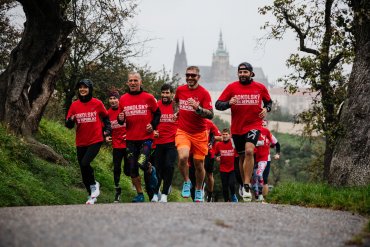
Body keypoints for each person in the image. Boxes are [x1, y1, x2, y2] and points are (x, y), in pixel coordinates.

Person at [215, 62, 272, 201]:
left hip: (254, 125)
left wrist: (266, 109)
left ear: (251, 73)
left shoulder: (260, 87)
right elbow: (218, 105)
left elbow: (269, 102)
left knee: (249, 151)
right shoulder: (232, 87)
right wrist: (229, 103)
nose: (242, 74)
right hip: (237, 128)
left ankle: (247, 185)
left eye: (245, 72)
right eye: (240, 72)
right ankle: (243, 183)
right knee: (241, 157)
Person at [65, 79, 111, 205]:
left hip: (95, 139)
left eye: (85, 87)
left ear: (90, 89)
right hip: (81, 141)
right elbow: (68, 124)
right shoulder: (74, 105)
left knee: (85, 163)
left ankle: (94, 184)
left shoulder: (97, 103)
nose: (82, 89)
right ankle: (91, 195)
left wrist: (107, 130)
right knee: (82, 168)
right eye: (80, 87)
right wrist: (70, 120)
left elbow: (106, 118)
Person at [117, 72, 160, 202]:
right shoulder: (123, 99)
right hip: (130, 139)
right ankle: (140, 194)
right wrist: (120, 119)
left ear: (140, 82)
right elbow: (121, 120)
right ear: (127, 83)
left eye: (136, 80)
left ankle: (150, 169)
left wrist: (152, 125)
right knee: (132, 168)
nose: (133, 83)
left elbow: (158, 114)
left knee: (141, 163)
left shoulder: (148, 97)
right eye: (131, 80)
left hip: (146, 138)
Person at [174, 66, 214, 202]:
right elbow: (176, 102)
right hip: (183, 131)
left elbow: (211, 114)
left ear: (198, 77)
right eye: (188, 75)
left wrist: (198, 108)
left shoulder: (204, 93)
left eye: (193, 75)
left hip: (200, 134)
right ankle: (186, 181)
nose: (190, 78)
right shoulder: (180, 90)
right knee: (183, 157)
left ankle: (198, 189)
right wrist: (177, 112)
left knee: (198, 165)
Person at [151, 84, 178, 203]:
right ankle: (156, 193)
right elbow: (151, 121)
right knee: (157, 169)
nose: (165, 95)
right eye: (163, 93)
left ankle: (165, 193)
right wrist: (153, 131)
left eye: (167, 93)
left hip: (172, 142)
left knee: (169, 166)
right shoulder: (156, 105)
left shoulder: (176, 106)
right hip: (158, 142)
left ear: (172, 94)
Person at [106, 90, 129, 203]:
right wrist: (106, 136)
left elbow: (134, 124)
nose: (112, 100)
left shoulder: (125, 110)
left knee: (128, 170)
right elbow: (106, 128)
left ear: (118, 99)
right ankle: (117, 191)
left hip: (128, 143)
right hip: (116, 145)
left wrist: (129, 134)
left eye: (114, 98)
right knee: (116, 168)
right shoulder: (107, 113)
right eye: (110, 98)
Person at [215, 128, 238, 202]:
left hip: (232, 168)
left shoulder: (233, 143)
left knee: (231, 184)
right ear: (221, 135)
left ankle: (233, 195)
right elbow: (215, 154)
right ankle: (227, 201)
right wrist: (217, 158)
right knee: (224, 186)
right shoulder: (218, 144)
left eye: (226, 134)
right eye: (223, 134)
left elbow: (238, 154)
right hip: (223, 169)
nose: (225, 136)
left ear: (229, 135)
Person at [260, 120, 280, 198]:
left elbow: (277, 144)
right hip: (256, 159)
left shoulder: (268, 134)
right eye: (262, 125)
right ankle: (256, 197)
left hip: (266, 159)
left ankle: (264, 198)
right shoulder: (255, 134)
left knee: (264, 179)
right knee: (255, 178)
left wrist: (277, 154)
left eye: (265, 125)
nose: (263, 127)